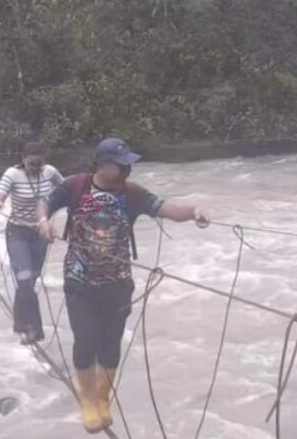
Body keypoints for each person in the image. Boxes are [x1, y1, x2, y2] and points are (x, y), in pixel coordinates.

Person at [37, 138, 211, 434]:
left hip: (118, 283)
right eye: (121, 164)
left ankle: (103, 399)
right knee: (85, 340)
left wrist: (194, 211)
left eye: (128, 163)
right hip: (79, 281)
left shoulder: (132, 193)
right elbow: (46, 202)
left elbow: (166, 209)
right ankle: (89, 402)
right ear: (102, 164)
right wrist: (43, 221)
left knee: (111, 344)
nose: (127, 168)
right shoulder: (75, 186)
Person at [0, 142, 64, 345]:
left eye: (39, 164)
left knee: (30, 281)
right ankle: (35, 329)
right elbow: (0, 193)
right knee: (24, 280)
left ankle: (19, 322)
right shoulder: (12, 174)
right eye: (31, 164)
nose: (36, 168)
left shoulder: (50, 172)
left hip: (40, 234)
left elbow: (64, 189)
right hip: (18, 233)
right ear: (23, 160)